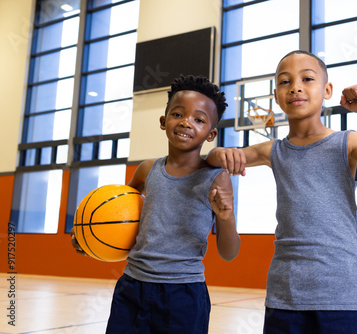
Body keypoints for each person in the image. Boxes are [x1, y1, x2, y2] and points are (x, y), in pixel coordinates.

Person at [206, 50, 357, 333]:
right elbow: (215, 159)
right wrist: (219, 151)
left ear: (327, 90)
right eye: (285, 82)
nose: (295, 87)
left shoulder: (348, 142)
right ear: (277, 96)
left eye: (307, 78)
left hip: (344, 297)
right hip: (285, 297)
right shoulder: (274, 150)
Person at [71, 74, 241, 334]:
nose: (186, 122)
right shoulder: (146, 170)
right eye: (178, 114)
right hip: (132, 286)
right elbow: (117, 217)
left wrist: (226, 218)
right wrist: (88, 239)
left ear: (211, 133)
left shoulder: (216, 178)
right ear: (163, 121)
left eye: (199, 119)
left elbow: (229, 253)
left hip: (184, 293)